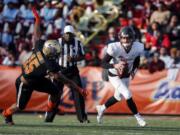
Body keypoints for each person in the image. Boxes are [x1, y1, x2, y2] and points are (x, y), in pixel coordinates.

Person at [2, 7, 86, 125]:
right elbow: (61, 78)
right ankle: (6, 114)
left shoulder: (40, 46)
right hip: (25, 82)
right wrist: (78, 88)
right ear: (51, 53)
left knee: (56, 92)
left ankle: (52, 109)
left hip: (37, 78)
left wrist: (37, 19)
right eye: (56, 53)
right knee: (20, 106)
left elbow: (36, 35)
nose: (57, 55)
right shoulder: (49, 63)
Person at [96, 26, 146, 127]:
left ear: (133, 38)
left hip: (126, 75)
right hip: (114, 75)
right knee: (127, 94)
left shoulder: (138, 47)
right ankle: (139, 118)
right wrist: (115, 65)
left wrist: (134, 70)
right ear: (120, 38)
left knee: (118, 97)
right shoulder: (114, 47)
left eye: (128, 38)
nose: (126, 40)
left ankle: (102, 108)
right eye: (124, 38)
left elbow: (136, 59)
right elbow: (103, 63)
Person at [44, 25, 89, 123]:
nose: (68, 36)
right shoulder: (57, 42)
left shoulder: (78, 42)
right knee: (55, 93)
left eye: (70, 34)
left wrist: (74, 59)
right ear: (63, 34)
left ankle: (82, 118)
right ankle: (49, 117)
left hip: (72, 70)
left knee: (78, 92)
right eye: (66, 34)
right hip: (59, 69)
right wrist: (50, 70)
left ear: (73, 34)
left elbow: (83, 56)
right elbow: (50, 56)